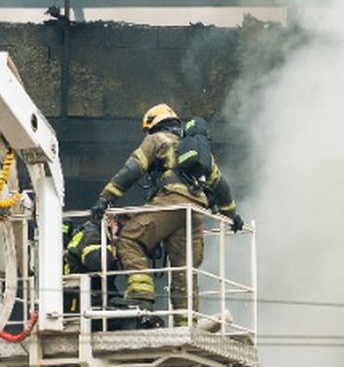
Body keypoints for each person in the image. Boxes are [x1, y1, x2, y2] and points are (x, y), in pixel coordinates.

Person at [91, 105, 244, 322]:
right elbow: (221, 185)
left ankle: (141, 296)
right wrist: (233, 215)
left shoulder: (157, 140)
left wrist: (105, 198)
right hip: (195, 212)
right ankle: (186, 322)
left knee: (130, 239)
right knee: (185, 269)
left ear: (152, 125)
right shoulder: (198, 149)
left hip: (171, 202)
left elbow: (133, 170)